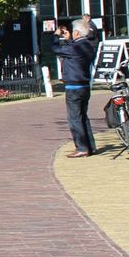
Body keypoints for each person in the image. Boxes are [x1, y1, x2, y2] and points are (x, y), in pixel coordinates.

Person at [53, 19, 98, 157]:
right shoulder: (88, 46)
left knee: (74, 118)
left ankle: (81, 148)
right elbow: (72, 51)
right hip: (85, 85)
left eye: (73, 31)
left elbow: (55, 49)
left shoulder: (74, 48)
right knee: (83, 117)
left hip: (74, 86)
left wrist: (55, 36)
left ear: (77, 32)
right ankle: (90, 146)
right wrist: (68, 40)